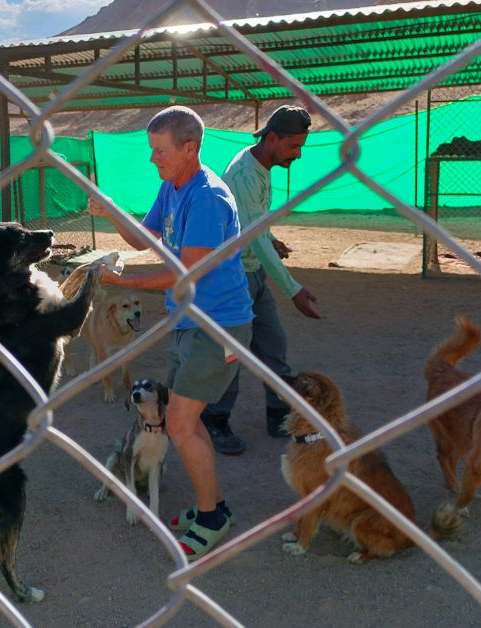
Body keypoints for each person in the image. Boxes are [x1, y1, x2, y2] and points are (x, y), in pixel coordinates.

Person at [88, 105, 253, 562]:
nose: (152, 160)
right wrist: (109, 211)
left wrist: (124, 284)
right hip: (187, 321)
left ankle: (213, 517)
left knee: (178, 423)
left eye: (159, 151)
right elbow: (142, 239)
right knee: (188, 421)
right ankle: (212, 507)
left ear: (189, 148)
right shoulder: (172, 186)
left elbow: (187, 270)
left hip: (217, 324)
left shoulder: (207, 198)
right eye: (151, 150)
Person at [199, 105, 323, 455]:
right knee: (231, 354)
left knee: (273, 345)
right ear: (272, 138)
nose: (297, 155)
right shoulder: (243, 174)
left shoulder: (262, 164)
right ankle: (215, 421)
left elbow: (253, 226)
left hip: (251, 273)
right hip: (230, 279)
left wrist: (270, 239)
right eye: (292, 146)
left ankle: (277, 413)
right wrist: (293, 290)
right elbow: (251, 234)